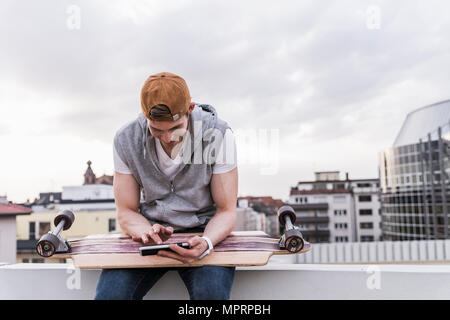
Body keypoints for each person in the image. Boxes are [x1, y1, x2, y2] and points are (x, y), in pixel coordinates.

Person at [94, 72, 238, 300]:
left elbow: (227, 210)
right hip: (150, 235)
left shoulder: (218, 135)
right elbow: (126, 210)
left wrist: (207, 242)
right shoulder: (126, 139)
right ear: (145, 116)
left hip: (203, 232)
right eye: (157, 130)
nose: (167, 138)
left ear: (190, 109)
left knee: (210, 297)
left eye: (175, 128)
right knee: (110, 296)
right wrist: (145, 232)